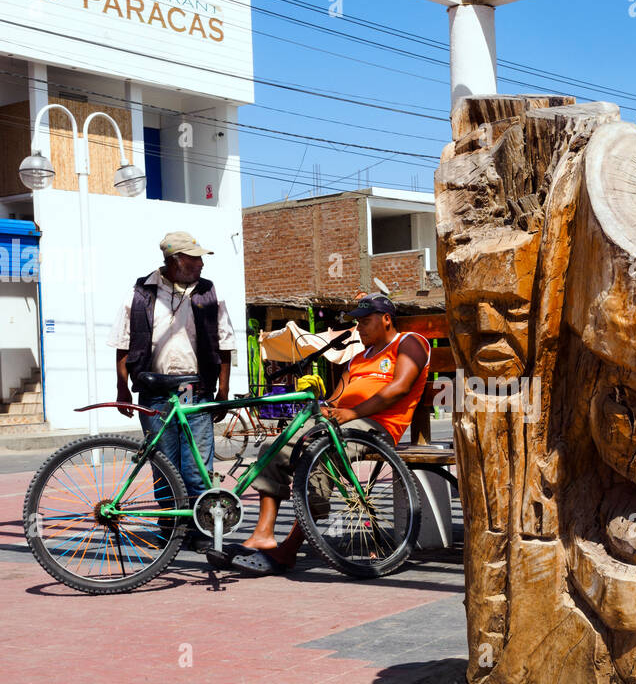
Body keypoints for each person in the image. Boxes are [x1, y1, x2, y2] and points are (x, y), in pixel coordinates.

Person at [230, 294, 430, 574]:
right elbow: (337, 400)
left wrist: (351, 413)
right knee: (275, 449)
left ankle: (290, 549)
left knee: (319, 453)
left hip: (376, 426)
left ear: (386, 319)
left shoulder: (409, 342)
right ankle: (263, 534)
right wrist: (323, 406)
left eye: (365, 321)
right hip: (341, 424)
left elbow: (400, 388)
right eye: (357, 323)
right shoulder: (358, 358)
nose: (359, 328)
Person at [109, 232, 236, 528]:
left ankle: (202, 530)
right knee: (164, 466)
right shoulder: (141, 293)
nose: (202, 264)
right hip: (155, 392)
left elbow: (226, 343)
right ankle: (170, 529)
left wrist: (224, 391)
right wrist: (122, 388)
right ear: (175, 261)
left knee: (197, 469)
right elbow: (122, 343)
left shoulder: (210, 292)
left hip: (198, 390)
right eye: (195, 259)